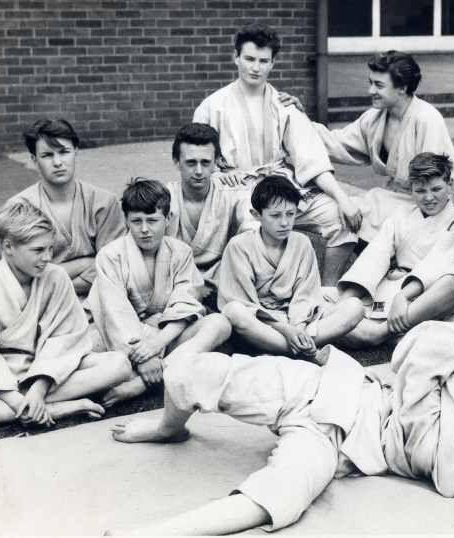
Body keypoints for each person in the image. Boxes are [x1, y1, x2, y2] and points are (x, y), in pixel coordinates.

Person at [106, 319, 454, 535]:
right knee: (191, 372)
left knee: (283, 497)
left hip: (339, 446)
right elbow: (418, 350)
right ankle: (172, 427)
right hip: (333, 391)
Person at [192, 23, 360, 285]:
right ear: (235, 57)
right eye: (248, 59)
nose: (255, 67)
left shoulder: (283, 105)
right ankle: (259, 297)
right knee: (253, 227)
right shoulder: (212, 106)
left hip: (280, 182)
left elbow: (311, 157)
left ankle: (327, 289)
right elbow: (197, 155)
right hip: (238, 189)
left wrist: (343, 198)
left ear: (272, 64)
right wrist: (216, 174)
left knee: (336, 216)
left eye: (263, 61)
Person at [0, 200, 132, 426]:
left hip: (48, 373)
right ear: (8, 247)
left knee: (118, 364)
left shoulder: (56, 277)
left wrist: (39, 389)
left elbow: (65, 339)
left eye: (50, 248)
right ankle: (59, 408)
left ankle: (21, 408)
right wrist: (12, 397)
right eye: (38, 250)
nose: (48, 257)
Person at [85, 179, 231, 406]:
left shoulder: (180, 252)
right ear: (126, 221)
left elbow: (186, 303)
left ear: (168, 219)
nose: (144, 229)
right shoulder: (110, 255)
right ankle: (168, 370)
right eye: (136, 221)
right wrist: (142, 354)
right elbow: (115, 312)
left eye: (152, 220)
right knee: (89, 347)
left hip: (164, 334)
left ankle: (144, 382)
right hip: (121, 339)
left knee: (219, 324)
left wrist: (155, 346)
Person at [310, 51, 454, 243]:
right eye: (371, 83)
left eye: (379, 85)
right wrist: (297, 120)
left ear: (402, 88)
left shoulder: (426, 119)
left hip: (430, 204)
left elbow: (433, 186)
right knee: (344, 212)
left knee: (358, 213)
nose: (370, 91)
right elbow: (337, 143)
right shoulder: (375, 117)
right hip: (398, 198)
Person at [336, 152, 454, 346]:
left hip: (432, 295)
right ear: (411, 190)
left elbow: (438, 262)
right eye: (420, 191)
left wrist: (403, 296)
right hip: (395, 290)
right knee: (325, 295)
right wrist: (346, 298)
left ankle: (380, 332)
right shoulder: (401, 215)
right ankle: (391, 328)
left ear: (450, 185)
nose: (429, 197)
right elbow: (376, 255)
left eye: (436, 189)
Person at [218, 176, 364, 359]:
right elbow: (242, 302)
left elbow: (306, 296)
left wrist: (298, 329)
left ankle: (287, 348)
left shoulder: (301, 243)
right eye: (275, 215)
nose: (285, 222)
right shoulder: (239, 246)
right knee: (234, 312)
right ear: (256, 215)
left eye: (290, 214)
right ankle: (307, 352)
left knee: (354, 307)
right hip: (262, 323)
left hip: (298, 321)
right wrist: (285, 329)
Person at [10, 118, 126, 297]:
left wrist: (51, 280)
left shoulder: (103, 202)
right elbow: (21, 277)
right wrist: (85, 264)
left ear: (75, 152)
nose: (57, 162)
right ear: (34, 160)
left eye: (64, 152)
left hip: (99, 299)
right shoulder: (21, 208)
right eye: (47, 155)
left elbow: (114, 269)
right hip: (40, 304)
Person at [165, 123, 255, 305]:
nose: (198, 171)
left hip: (223, 277)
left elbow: (251, 232)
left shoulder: (233, 194)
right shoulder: (164, 197)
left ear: (216, 163)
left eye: (205, 163)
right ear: (176, 162)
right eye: (191, 163)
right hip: (176, 278)